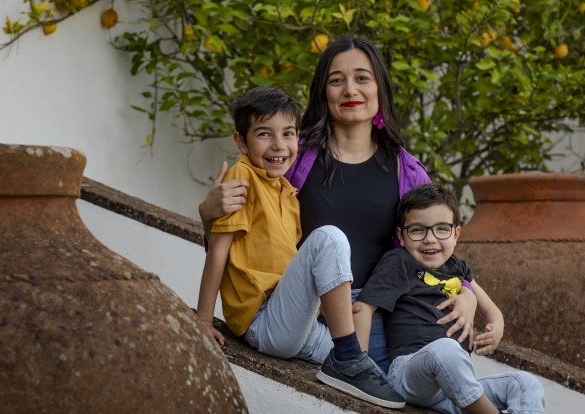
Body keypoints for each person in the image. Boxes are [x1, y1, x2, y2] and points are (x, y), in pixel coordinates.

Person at [198, 36, 479, 374]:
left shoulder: (408, 172)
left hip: (376, 315)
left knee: (429, 377)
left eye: (362, 78)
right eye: (336, 80)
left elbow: (433, 246)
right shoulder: (290, 155)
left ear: (380, 88)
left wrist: (468, 293)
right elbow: (244, 237)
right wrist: (208, 216)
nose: (350, 90)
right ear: (322, 92)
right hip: (302, 310)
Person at [195, 86, 405, 409]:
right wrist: (204, 320)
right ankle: (348, 357)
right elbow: (219, 250)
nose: (279, 145)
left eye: (288, 133)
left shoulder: (287, 192)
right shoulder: (242, 179)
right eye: (264, 134)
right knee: (330, 238)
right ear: (241, 141)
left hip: (295, 326)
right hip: (263, 321)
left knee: (382, 377)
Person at [352, 184, 545, 414]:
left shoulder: (457, 267)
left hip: (453, 388)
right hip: (411, 374)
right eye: (417, 230)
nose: (430, 239)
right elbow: (362, 308)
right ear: (401, 236)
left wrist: (497, 329)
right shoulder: (398, 262)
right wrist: (360, 367)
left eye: (441, 229)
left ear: (456, 234)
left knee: (525, 383)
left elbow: (490, 309)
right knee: (446, 349)